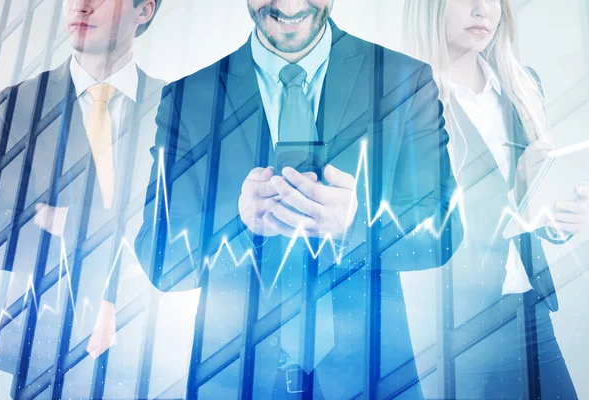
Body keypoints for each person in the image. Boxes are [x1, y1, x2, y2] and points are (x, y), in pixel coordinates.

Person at [134, 0, 463, 397]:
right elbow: (159, 257)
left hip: (372, 377)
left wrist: (357, 226)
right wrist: (238, 223)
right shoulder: (189, 98)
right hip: (233, 378)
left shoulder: (402, 79)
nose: (289, 5)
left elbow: (443, 233)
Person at [402, 0, 588, 398]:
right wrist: (516, 187)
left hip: (530, 308)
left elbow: (532, 208)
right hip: (454, 326)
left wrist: (556, 216)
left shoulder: (523, 85)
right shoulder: (405, 102)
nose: (481, 8)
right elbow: (420, 226)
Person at [0, 0, 165, 397]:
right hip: (47, 347)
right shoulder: (21, 104)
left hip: (151, 349)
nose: (81, 6)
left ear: (144, 10)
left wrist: (61, 220)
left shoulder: (176, 104)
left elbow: (180, 226)